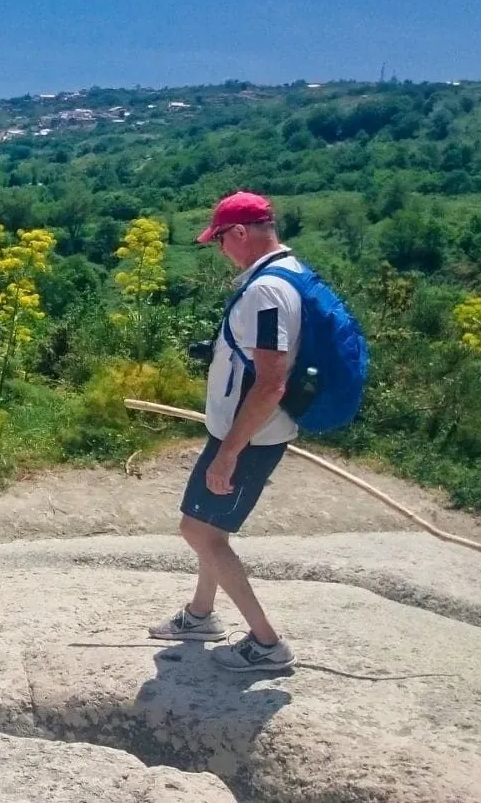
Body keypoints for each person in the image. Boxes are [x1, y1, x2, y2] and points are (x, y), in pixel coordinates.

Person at [149, 191, 299, 671]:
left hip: (249, 435)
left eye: (219, 239)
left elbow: (272, 380)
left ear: (239, 233)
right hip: (244, 429)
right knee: (208, 524)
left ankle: (266, 642)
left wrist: (230, 451)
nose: (220, 249)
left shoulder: (267, 291)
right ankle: (201, 614)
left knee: (198, 530)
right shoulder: (290, 274)